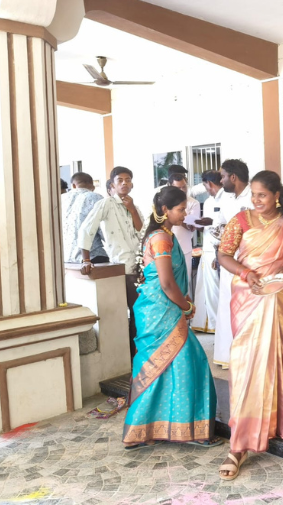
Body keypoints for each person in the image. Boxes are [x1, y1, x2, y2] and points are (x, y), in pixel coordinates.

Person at [217, 170, 283, 480]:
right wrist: (246, 274)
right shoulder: (240, 221)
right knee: (248, 362)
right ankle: (239, 443)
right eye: (253, 195)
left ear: (276, 196)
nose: (256, 200)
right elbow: (224, 254)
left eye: (262, 195)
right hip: (249, 297)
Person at [122, 186, 219, 450]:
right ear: (164, 210)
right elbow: (166, 283)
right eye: (180, 209)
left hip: (164, 308)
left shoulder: (166, 235)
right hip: (161, 311)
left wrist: (183, 304)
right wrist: (186, 306)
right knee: (185, 363)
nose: (184, 214)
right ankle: (183, 430)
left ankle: (156, 429)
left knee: (171, 366)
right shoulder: (161, 239)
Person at [79, 166, 144, 359]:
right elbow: (87, 229)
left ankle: (137, 355)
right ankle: (130, 357)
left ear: (132, 184)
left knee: (139, 311)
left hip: (138, 265)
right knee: (132, 311)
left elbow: (141, 230)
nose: (124, 183)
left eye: (128, 180)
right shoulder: (106, 203)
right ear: (113, 185)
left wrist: (132, 209)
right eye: (120, 180)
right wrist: (86, 259)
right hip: (121, 266)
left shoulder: (133, 204)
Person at [213, 159, 253, 368]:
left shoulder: (254, 196)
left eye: (223, 176)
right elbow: (220, 224)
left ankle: (246, 356)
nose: (221, 180)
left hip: (247, 261)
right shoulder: (225, 198)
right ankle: (228, 355)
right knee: (227, 304)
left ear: (233, 177)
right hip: (228, 258)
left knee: (245, 306)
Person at [191, 170, 225, 333]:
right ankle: (211, 324)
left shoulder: (227, 198)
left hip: (219, 250)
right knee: (206, 289)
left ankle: (220, 325)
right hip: (207, 248)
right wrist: (200, 224)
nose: (206, 189)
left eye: (205, 186)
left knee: (216, 290)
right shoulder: (209, 201)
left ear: (209, 184)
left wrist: (211, 222)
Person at [62, 172, 109, 264]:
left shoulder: (61, 199)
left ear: (73, 185)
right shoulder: (96, 197)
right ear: (93, 186)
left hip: (65, 258)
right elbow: (104, 228)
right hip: (92, 256)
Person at [168, 173, 200, 284]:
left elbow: (191, 227)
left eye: (184, 187)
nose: (182, 190)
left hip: (184, 248)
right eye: (178, 188)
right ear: (170, 186)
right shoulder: (165, 202)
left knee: (185, 282)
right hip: (166, 248)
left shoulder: (193, 203)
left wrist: (178, 214)